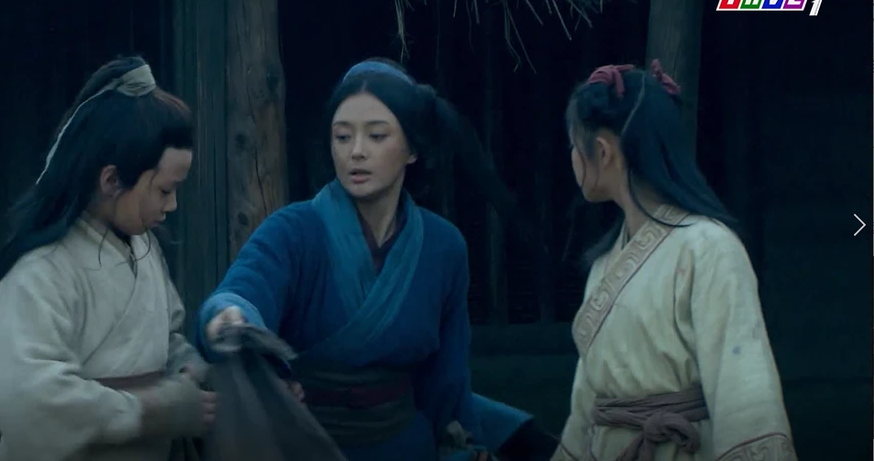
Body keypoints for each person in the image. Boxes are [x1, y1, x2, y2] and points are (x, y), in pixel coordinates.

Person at [199, 57, 558, 461]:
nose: (356, 152)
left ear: (412, 148)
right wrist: (228, 316)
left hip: (404, 445)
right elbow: (242, 291)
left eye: (376, 136)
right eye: (342, 136)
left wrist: (462, 441)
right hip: (306, 443)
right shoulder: (292, 231)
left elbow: (448, 377)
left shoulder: (444, 247)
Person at [551, 61, 796, 461]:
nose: (573, 159)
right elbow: (586, 408)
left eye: (575, 147)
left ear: (602, 152)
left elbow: (744, 389)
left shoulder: (709, 247)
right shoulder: (603, 267)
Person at [0, 56, 214, 461]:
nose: (172, 205)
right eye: (164, 190)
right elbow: (31, 401)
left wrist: (186, 367)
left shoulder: (146, 249)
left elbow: (165, 336)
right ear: (111, 179)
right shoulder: (40, 274)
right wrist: (152, 412)